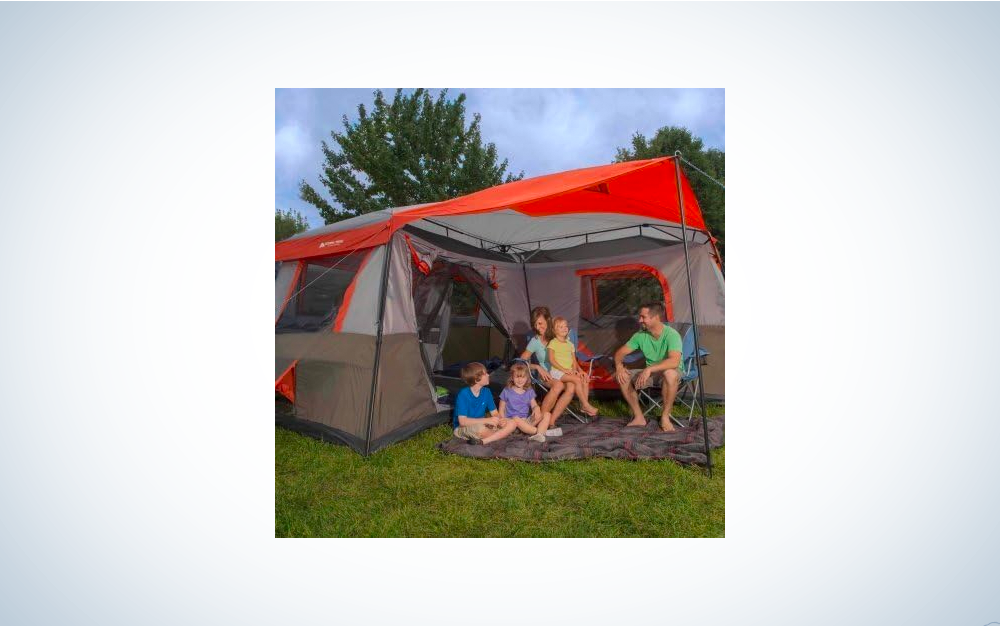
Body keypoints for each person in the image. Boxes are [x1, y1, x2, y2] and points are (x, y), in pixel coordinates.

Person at [612, 302, 684, 432]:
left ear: (655, 317)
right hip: (651, 373)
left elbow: (674, 362)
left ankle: (665, 417)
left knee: (669, 373)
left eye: (643, 317)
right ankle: (639, 417)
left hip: (670, 371)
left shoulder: (672, 335)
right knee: (623, 376)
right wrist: (619, 367)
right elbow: (619, 353)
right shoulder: (640, 335)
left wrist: (649, 369)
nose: (640, 320)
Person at [518, 306, 572, 433]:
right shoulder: (535, 341)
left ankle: (551, 420)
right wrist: (536, 366)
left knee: (572, 387)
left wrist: (578, 370)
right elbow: (520, 362)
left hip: (564, 372)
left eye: (540, 323)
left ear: (548, 320)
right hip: (546, 375)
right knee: (558, 386)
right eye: (535, 324)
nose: (538, 327)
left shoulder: (558, 335)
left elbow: (570, 355)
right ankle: (539, 418)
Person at [452, 362, 517, 445]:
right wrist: (487, 420)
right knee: (480, 429)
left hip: (483, 423)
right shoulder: (463, 394)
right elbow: (463, 422)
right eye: (485, 374)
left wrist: (500, 420)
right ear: (476, 379)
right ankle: (502, 435)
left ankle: (485, 441)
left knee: (512, 422)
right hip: (463, 427)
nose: (488, 375)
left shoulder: (487, 392)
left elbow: (495, 413)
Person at [547, 316, 600, 418]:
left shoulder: (570, 344)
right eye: (560, 327)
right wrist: (565, 370)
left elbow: (573, 360)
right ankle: (585, 405)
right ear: (554, 330)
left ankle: (583, 406)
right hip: (557, 372)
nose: (564, 328)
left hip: (568, 372)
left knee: (584, 379)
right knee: (577, 380)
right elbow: (552, 360)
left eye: (565, 326)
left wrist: (576, 371)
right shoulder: (553, 343)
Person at [499, 362, 549, 443]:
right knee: (516, 418)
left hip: (526, 422)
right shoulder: (507, 391)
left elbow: (534, 405)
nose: (520, 380)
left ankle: (539, 434)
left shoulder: (529, 391)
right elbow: (501, 408)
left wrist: (536, 408)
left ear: (527, 378)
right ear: (512, 377)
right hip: (512, 422)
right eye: (517, 377)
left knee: (547, 414)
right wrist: (502, 420)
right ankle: (541, 432)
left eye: (523, 377)